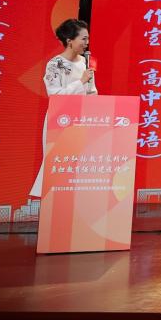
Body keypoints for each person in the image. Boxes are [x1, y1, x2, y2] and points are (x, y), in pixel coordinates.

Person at [30, 18, 97, 198]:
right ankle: (52, 203)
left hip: (82, 119)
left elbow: (91, 91)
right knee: (59, 162)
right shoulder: (55, 64)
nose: (87, 43)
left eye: (88, 38)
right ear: (69, 41)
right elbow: (55, 95)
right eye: (83, 38)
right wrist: (80, 82)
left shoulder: (86, 62)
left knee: (80, 164)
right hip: (60, 120)